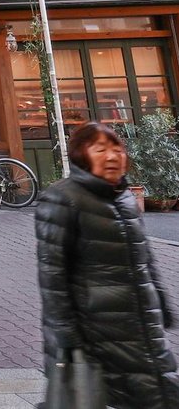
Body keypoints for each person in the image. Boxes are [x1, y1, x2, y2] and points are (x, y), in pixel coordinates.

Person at [36, 121, 179, 407]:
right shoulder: (62, 198)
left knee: (159, 391)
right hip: (95, 330)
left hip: (138, 322)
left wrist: (159, 301)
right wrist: (67, 335)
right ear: (80, 155)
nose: (112, 156)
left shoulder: (124, 197)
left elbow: (143, 256)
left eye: (117, 149)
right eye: (100, 149)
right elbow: (53, 276)